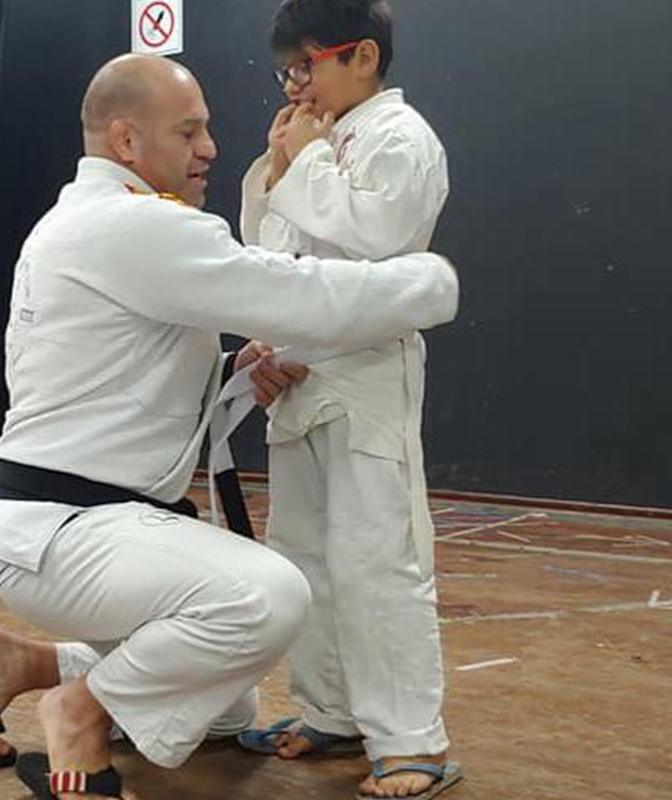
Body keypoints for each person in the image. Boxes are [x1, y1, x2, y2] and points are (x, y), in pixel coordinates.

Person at [0, 53, 460, 800]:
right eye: (190, 130)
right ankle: (79, 711)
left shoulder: (80, 220)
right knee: (269, 599)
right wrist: (429, 283)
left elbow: (124, 383)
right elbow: (300, 294)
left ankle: (20, 662)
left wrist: (237, 372)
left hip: (61, 528)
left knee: (220, 701)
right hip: (74, 534)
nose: (210, 146)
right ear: (126, 142)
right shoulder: (140, 227)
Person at [236, 1, 459, 798]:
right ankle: (329, 711)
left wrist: (306, 167)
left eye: (308, 66)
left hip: (365, 380)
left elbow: (374, 243)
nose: (297, 87)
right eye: (288, 73)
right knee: (303, 558)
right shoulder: (306, 140)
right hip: (297, 384)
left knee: (377, 561)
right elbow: (270, 256)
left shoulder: (403, 138)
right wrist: (266, 341)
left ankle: (411, 740)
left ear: (362, 56)